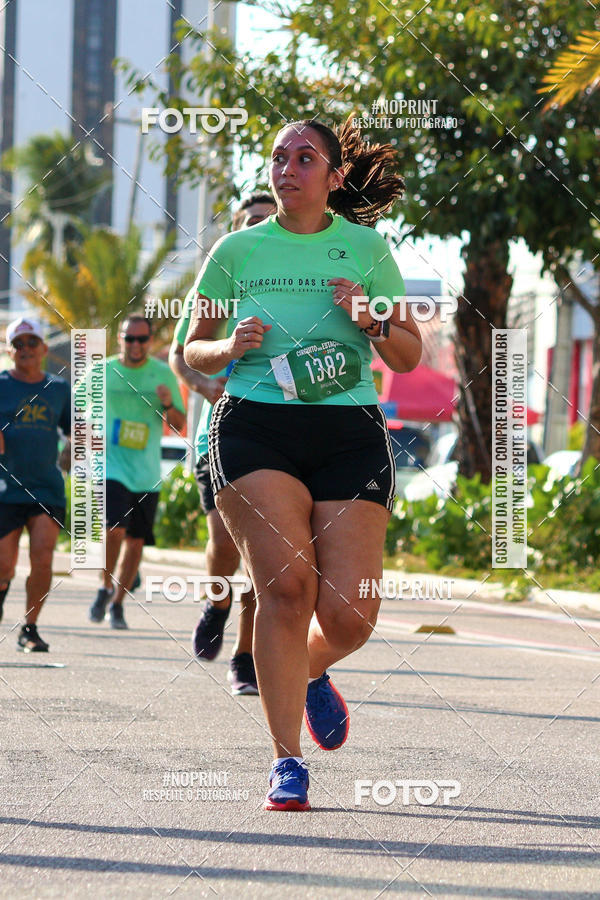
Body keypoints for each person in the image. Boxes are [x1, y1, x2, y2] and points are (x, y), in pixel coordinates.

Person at [184, 117, 422, 810]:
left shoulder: (366, 248)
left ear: (334, 177)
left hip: (348, 430)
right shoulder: (237, 250)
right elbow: (191, 348)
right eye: (278, 156)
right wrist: (227, 346)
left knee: (350, 616)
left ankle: (310, 669)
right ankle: (287, 762)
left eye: (305, 157)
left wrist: (373, 321)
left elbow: (407, 354)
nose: (288, 168)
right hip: (254, 428)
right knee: (286, 590)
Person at [169, 192, 276, 695]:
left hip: (273, 434)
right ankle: (216, 601)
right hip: (218, 434)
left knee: (261, 553)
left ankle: (245, 655)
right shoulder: (219, 276)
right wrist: (209, 386)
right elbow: (179, 353)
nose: (260, 226)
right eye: (251, 221)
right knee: (224, 547)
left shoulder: (287, 279)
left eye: (266, 219)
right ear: (236, 229)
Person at [87, 314, 185, 630]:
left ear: (150, 341)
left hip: (146, 472)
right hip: (111, 466)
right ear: (120, 339)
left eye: (142, 339)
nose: (136, 344)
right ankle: (104, 585)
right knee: (114, 529)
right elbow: (78, 409)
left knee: (136, 543)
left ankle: (117, 602)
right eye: (130, 338)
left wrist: (169, 404)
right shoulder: (102, 372)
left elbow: (178, 424)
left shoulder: (161, 374)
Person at [0, 316, 71, 651]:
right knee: (4, 565)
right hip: (5, 489)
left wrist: (76, 450)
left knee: (43, 558)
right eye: (18, 344)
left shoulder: (59, 389)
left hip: (46, 488)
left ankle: (30, 627)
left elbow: (77, 432)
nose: (25, 349)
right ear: (10, 350)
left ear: (44, 348)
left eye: (31, 343)